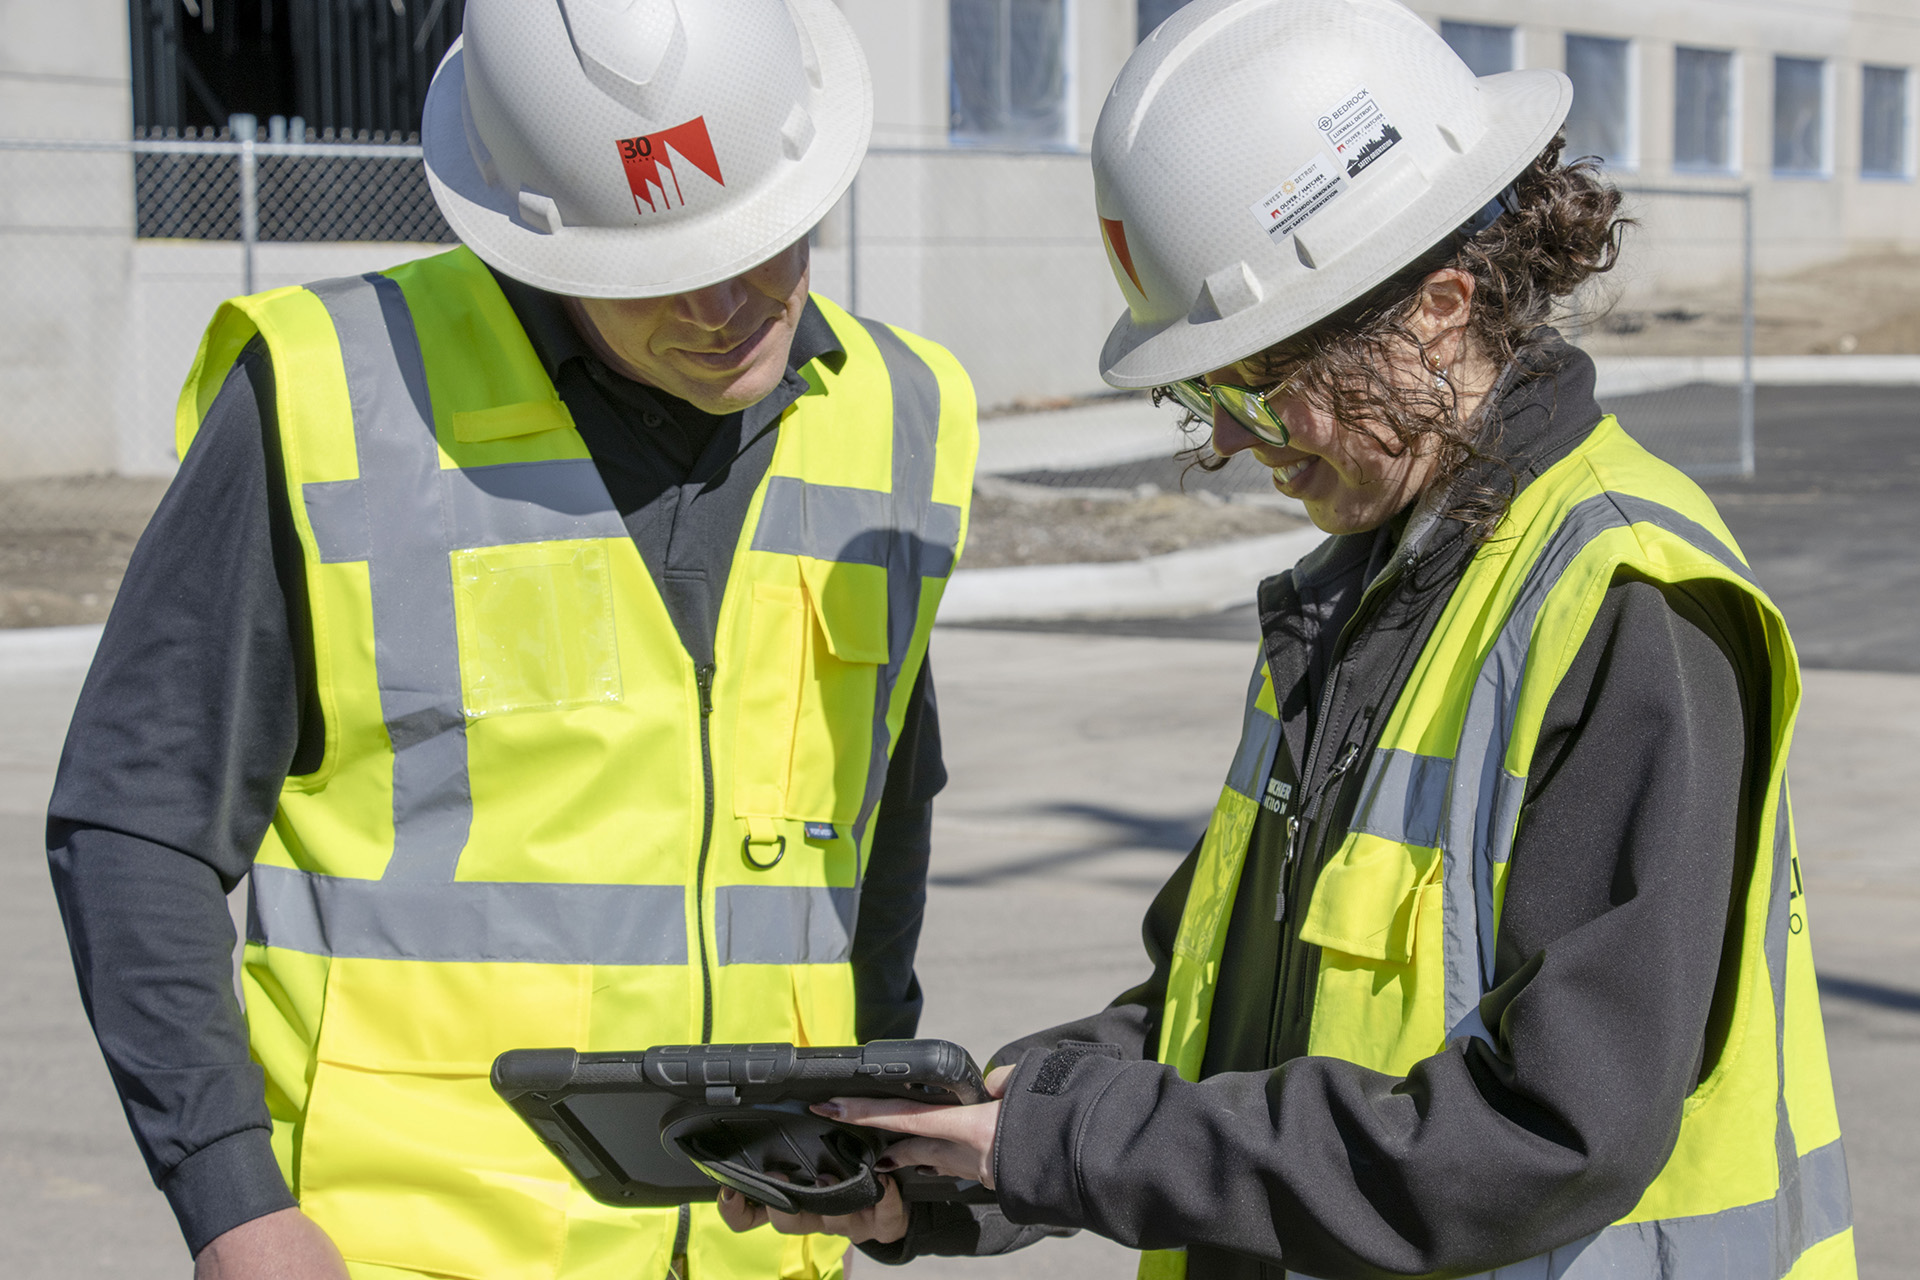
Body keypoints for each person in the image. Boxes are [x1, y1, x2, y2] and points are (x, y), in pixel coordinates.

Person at [723, 1, 1856, 1276]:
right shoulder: (1369, 595)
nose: (1225, 439)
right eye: (1204, 391)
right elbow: (1212, 1019)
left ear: (1440, 309)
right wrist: (962, 1156)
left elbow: (1547, 1129)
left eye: (1256, 383)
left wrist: (1068, 1138)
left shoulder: (1626, 605)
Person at [46, 2, 976, 1278]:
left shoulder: (902, 415)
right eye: (654, 269)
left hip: (763, 1241)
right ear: (538, 231)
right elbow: (135, 820)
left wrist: (873, 1128)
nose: (722, 303)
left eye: (759, 241)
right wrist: (233, 1200)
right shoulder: (329, 397)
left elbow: (881, 813)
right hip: (405, 1242)